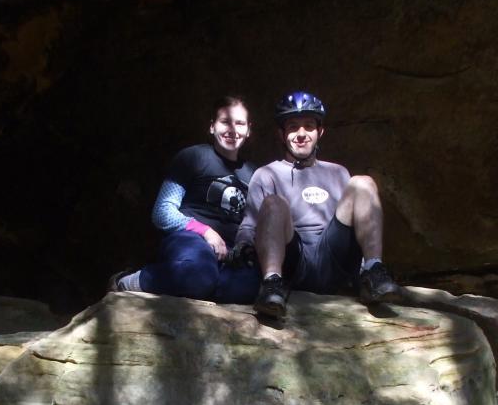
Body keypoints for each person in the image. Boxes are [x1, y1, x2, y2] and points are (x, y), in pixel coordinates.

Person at [232, 91, 404, 319]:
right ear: (281, 134)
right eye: (293, 127)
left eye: (309, 126)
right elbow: (250, 224)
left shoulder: (338, 172)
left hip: (334, 257)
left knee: (363, 183)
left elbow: (356, 220)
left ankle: (373, 272)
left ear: (320, 132)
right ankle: (272, 285)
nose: (301, 134)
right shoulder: (267, 174)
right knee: (273, 203)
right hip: (293, 260)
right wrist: (241, 247)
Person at [111, 96, 260, 303]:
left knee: (245, 289)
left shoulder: (253, 174)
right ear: (211, 126)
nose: (233, 129)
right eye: (225, 122)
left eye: (240, 123)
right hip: (191, 239)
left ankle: (197, 287)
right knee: (197, 273)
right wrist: (206, 231)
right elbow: (162, 211)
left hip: (230, 251)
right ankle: (129, 281)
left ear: (249, 130)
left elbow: (253, 223)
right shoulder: (193, 157)